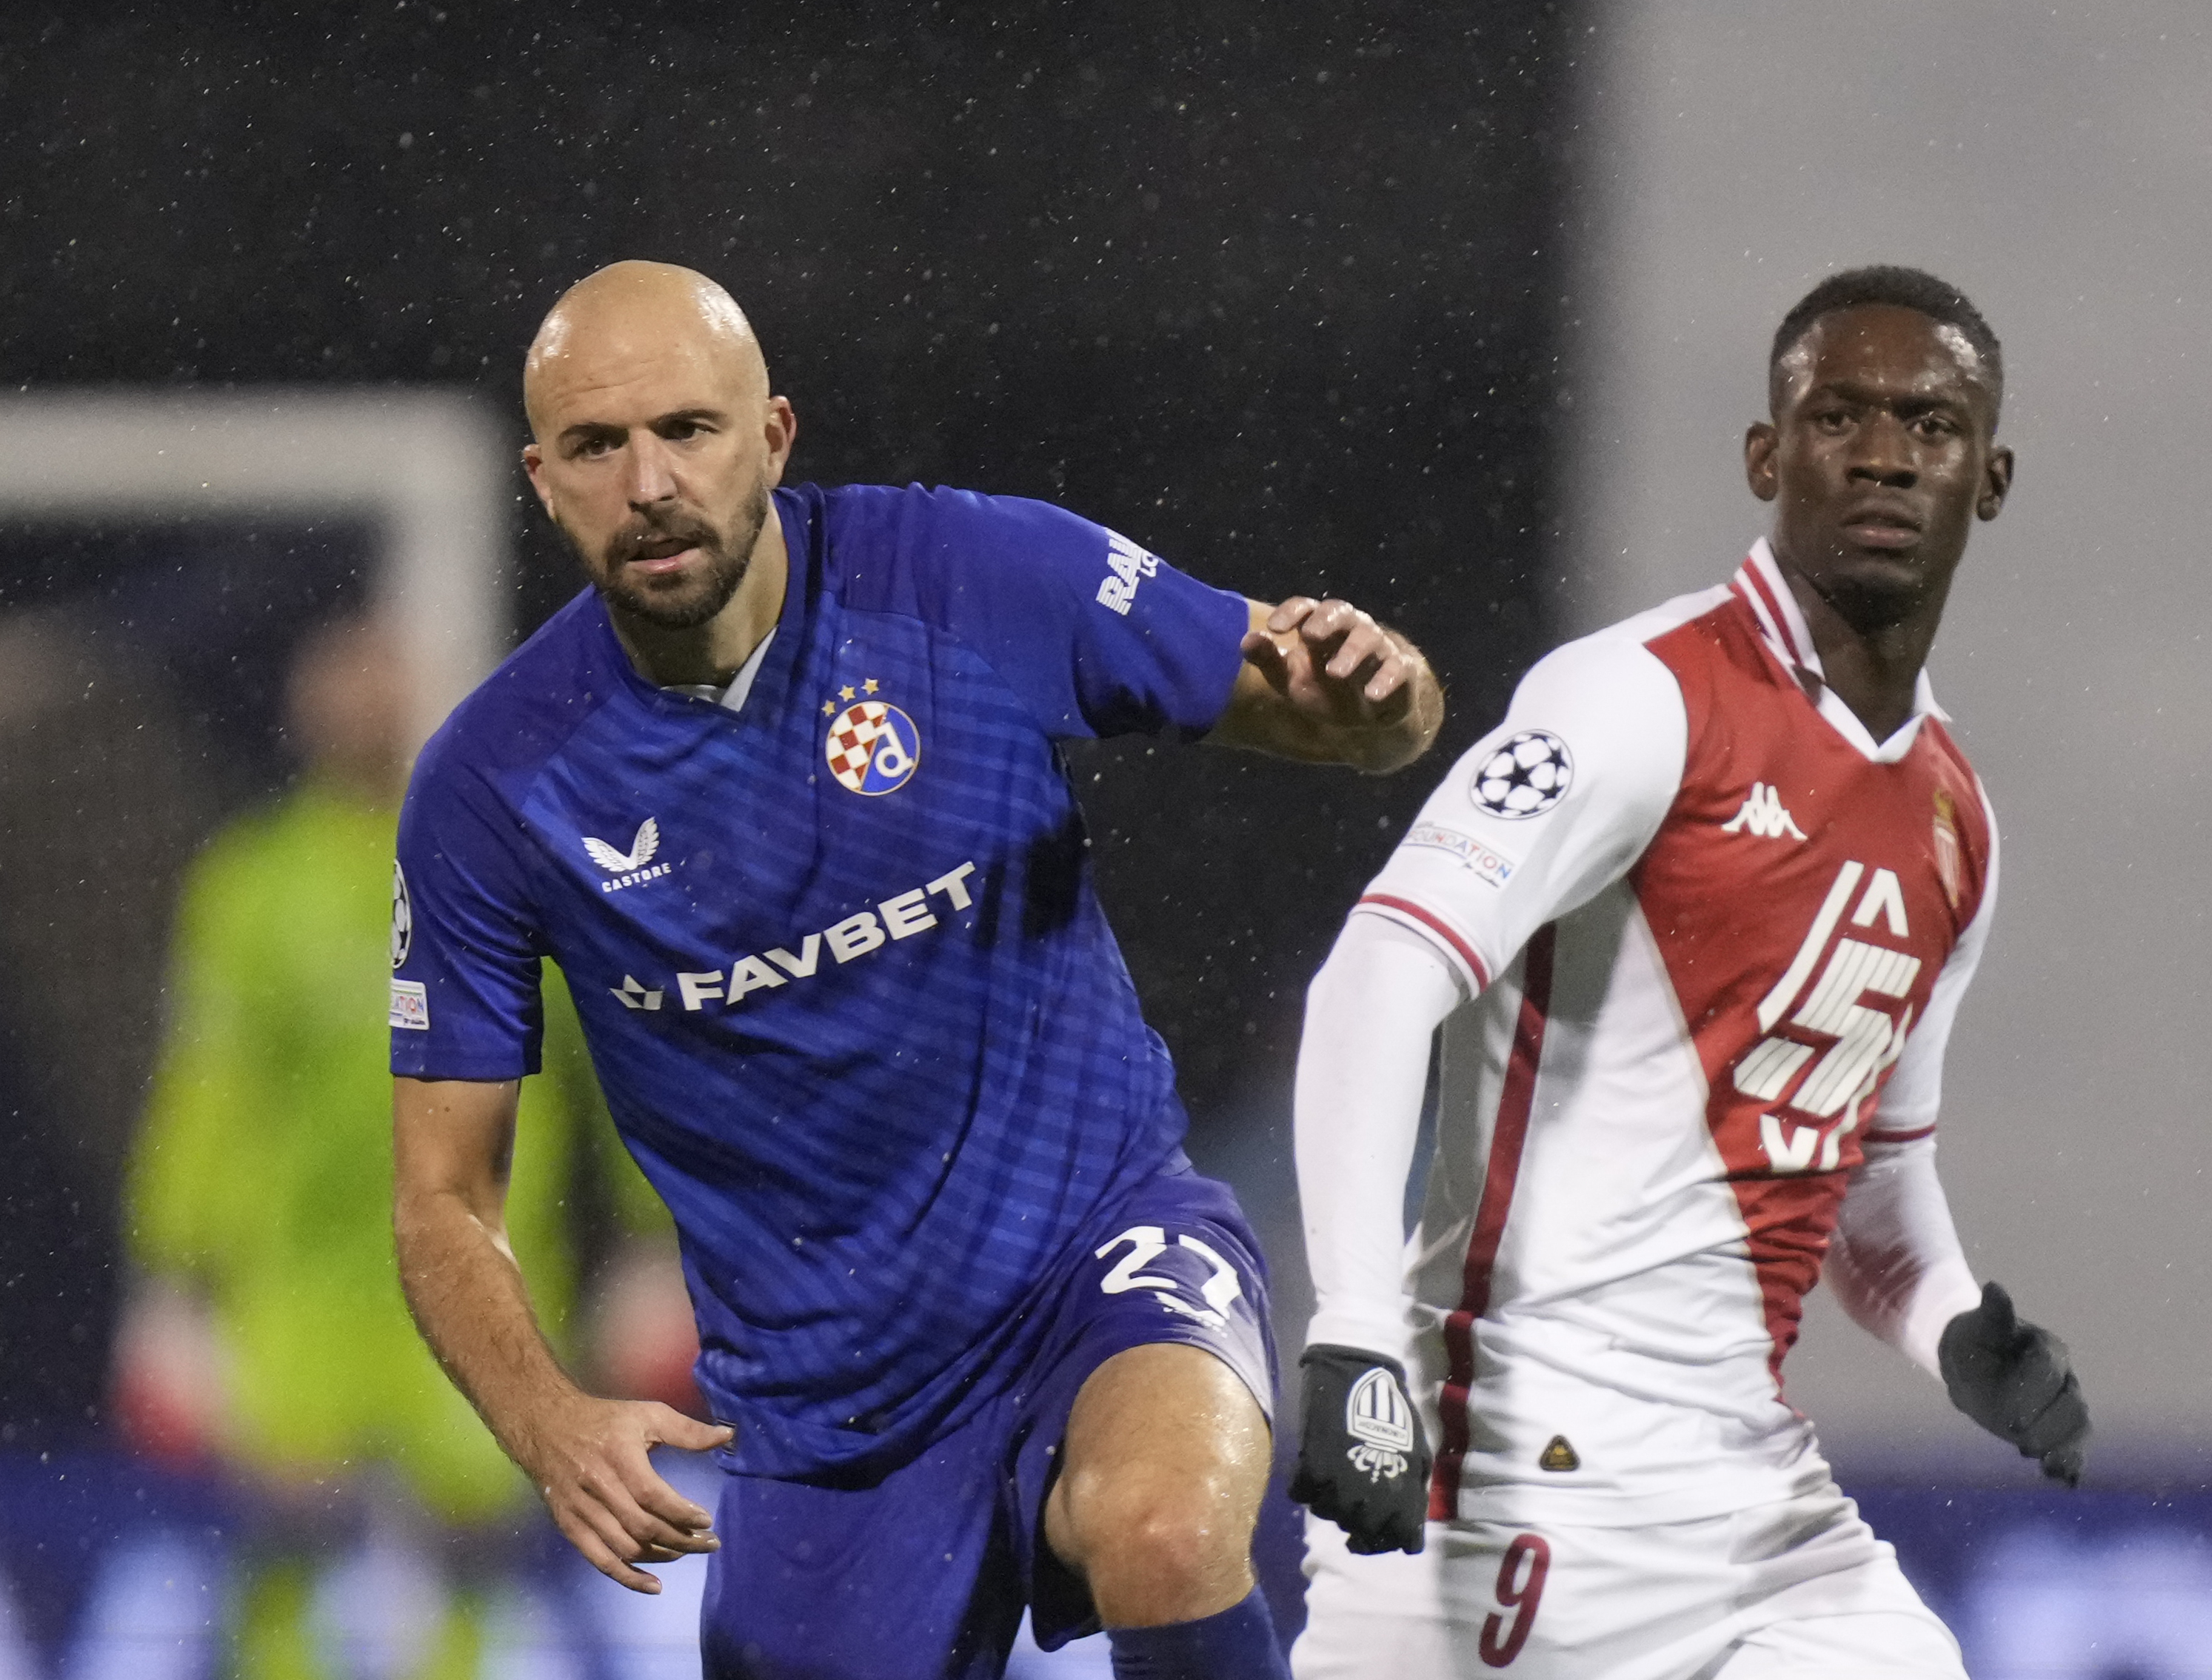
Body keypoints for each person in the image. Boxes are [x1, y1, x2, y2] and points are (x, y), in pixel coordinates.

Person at [387, 260, 1446, 1680]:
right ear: (541, 477)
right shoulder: (494, 783)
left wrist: (1390, 697)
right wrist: (548, 1420)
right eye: (597, 445)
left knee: (1163, 1527)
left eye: (688, 431)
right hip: (827, 1416)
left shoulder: (967, 578)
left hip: (1097, 1253)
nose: (648, 482)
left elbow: (1342, 722)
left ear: (772, 434)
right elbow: (445, 1194)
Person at [1287, 268, 2089, 1679]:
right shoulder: (1635, 698)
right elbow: (1378, 971)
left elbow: (1867, 1182)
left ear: (1995, 475)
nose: (1889, 452)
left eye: (1932, 421)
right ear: (1767, 459)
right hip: (1509, 1465)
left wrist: (1956, 1326)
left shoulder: (1956, 818)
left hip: (1745, 1494)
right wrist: (1354, 1336)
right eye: (1841, 415)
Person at [124, 612, 673, 1680]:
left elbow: (619, 1059)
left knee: (483, 1545)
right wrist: (172, 1280)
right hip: (307, 1281)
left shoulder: (519, 863)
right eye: (344, 677)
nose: (364, 700)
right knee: (290, 1547)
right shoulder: (254, 883)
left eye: (387, 675)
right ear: (301, 708)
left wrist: (657, 1244)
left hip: (488, 1253)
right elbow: (208, 1090)